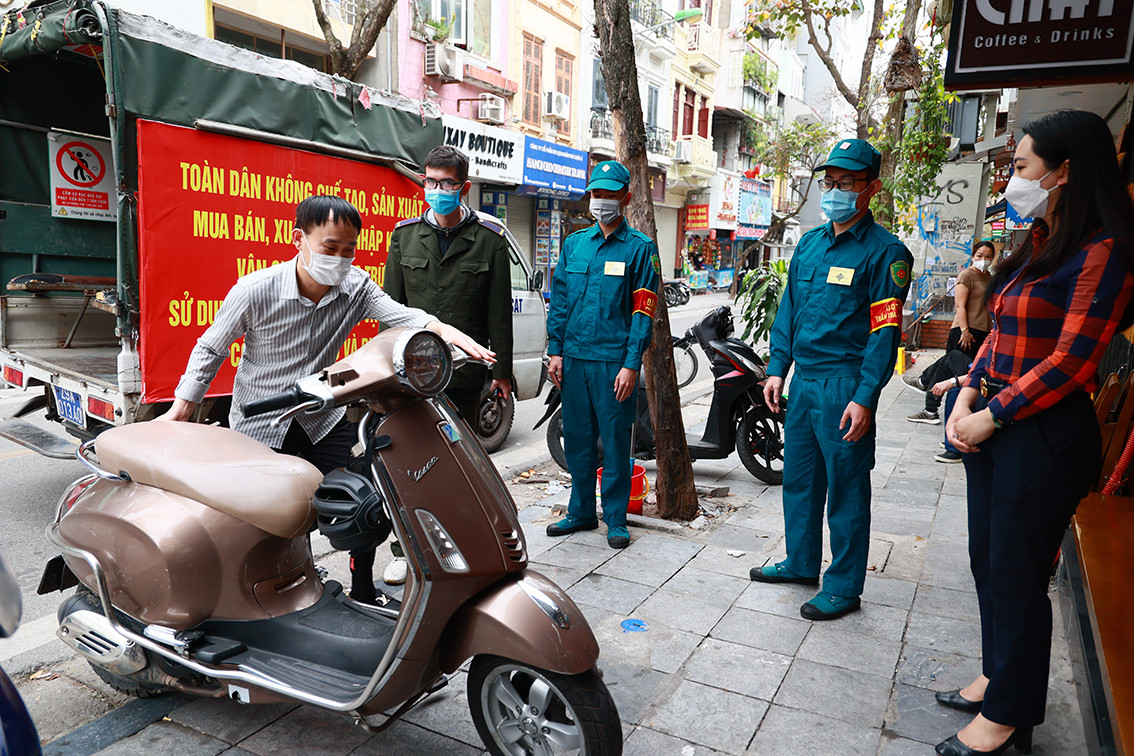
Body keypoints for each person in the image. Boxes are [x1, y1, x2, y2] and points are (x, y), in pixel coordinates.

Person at [164, 195, 493, 605]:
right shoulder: (255, 290)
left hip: (322, 417)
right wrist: (183, 405)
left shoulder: (355, 286)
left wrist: (442, 329)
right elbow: (210, 348)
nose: (340, 259)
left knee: (363, 502)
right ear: (298, 238)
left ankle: (362, 590)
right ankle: (257, 594)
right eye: (330, 248)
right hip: (261, 424)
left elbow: (400, 313)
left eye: (349, 250)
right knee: (266, 519)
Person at [938, 110, 1134, 756]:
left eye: (1020, 168)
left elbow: (1073, 361)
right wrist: (969, 390)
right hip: (996, 422)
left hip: (1044, 435)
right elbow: (999, 332)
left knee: (1019, 575)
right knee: (987, 562)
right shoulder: (1041, 240)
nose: (1012, 181)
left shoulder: (1103, 251)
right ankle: (999, 676)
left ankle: (1010, 716)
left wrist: (991, 415)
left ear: (1065, 170)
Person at [749, 138, 913, 621]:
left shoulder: (886, 254)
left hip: (845, 385)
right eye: (830, 182)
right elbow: (789, 313)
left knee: (846, 488)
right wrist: (778, 367)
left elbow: (885, 335)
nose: (835, 191)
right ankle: (801, 562)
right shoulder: (810, 244)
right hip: (803, 385)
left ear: (872, 188)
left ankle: (843, 585)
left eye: (846, 183)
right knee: (799, 481)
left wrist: (866, 396)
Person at [382, 146, 514, 585]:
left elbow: (499, 315)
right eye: (431, 182)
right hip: (410, 375)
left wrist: (502, 374)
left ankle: (457, 543)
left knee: (457, 466)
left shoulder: (491, 239)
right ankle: (405, 548)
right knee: (407, 464)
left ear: (464, 188)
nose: (437, 191)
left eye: (447, 184)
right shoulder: (403, 237)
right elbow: (389, 310)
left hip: (464, 376)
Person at [545, 160, 660, 550]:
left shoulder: (640, 250)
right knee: (577, 440)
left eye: (610, 195)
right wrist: (555, 352)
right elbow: (559, 302)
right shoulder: (575, 245)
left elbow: (644, 313)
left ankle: (615, 518)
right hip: (574, 360)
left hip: (614, 362)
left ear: (625, 199)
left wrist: (632, 364)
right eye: (597, 194)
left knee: (614, 442)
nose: (602, 201)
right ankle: (580, 511)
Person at [906, 241, 995, 423]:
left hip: (983, 333)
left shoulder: (989, 277)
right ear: (973, 256)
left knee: (957, 369)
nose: (983, 260)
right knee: (951, 368)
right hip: (965, 332)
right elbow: (959, 306)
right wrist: (965, 330)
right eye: (979, 256)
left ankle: (926, 386)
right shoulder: (967, 275)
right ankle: (931, 407)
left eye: (988, 257)